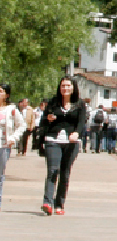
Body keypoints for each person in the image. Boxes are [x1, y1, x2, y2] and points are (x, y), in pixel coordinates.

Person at [40, 77, 87, 215]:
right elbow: (43, 119)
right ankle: (47, 202)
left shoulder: (79, 104)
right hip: (53, 140)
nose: (65, 88)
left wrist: (77, 134)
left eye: (68, 85)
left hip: (71, 143)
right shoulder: (53, 103)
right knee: (53, 171)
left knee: (65, 173)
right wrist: (48, 118)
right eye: (62, 86)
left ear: (73, 88)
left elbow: (81, 122)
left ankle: (59, 203)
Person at [0, 84, 26, 208]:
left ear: (7, 95)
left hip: (3, 146)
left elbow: (22, 125)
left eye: (0, 91)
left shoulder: (11, 109)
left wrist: (13, 138)